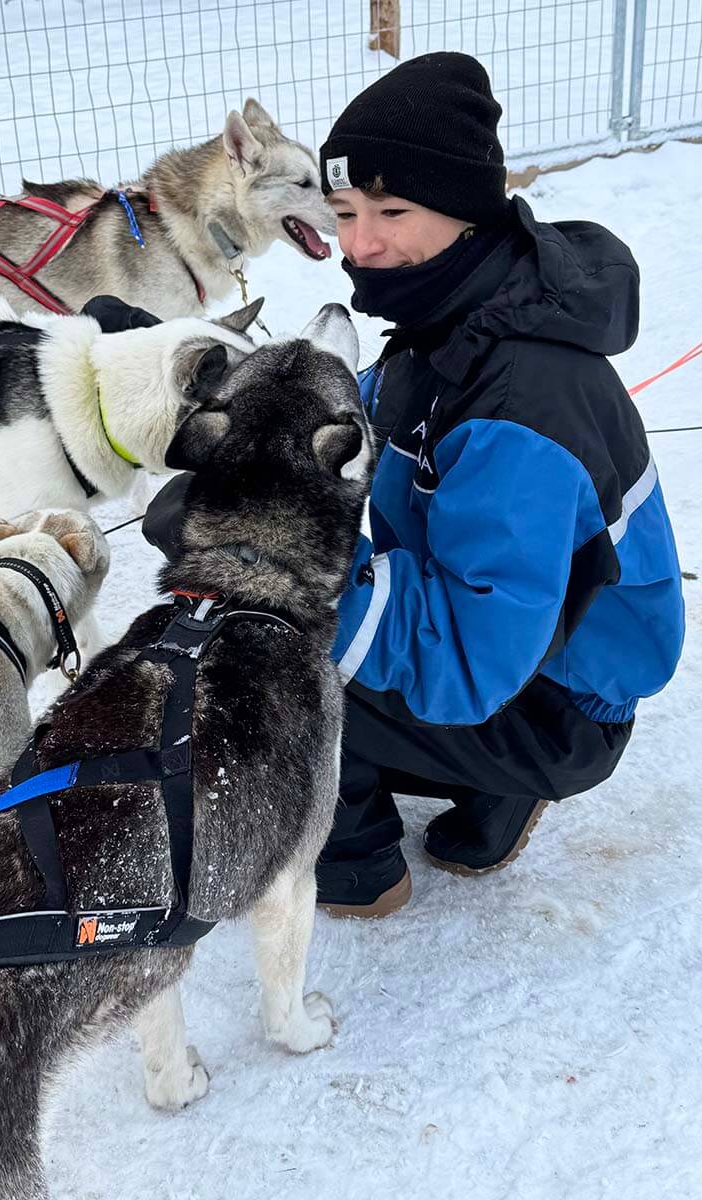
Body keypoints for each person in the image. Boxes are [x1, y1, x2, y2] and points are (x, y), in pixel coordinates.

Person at [308, 51, 684, 917]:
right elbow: (384, 430)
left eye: (393, 210)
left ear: (467, 211)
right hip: (537, 655)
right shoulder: (457, 313)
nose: (361, 244)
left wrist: (293, 574)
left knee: (277, 657)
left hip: (555, 702)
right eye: (344, 213)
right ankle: (493, 801)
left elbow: (468, 665)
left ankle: (357, 869)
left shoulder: (517, 399)